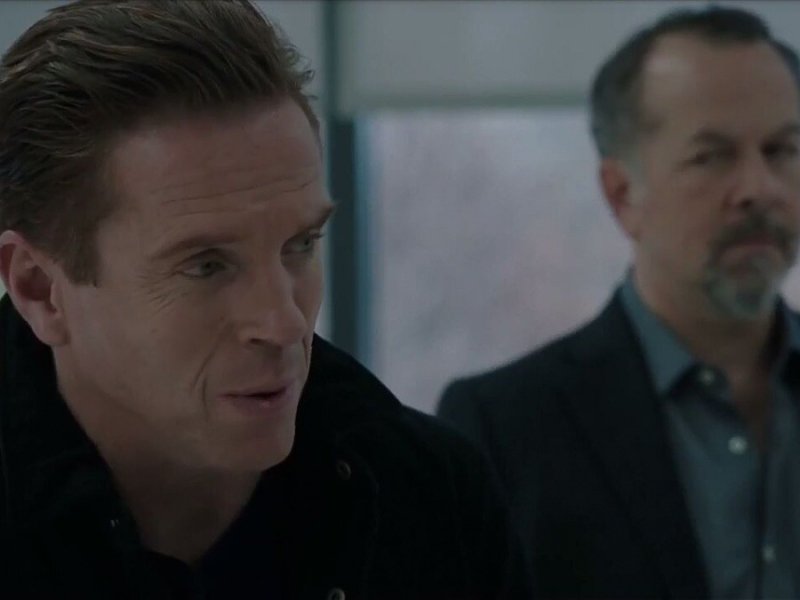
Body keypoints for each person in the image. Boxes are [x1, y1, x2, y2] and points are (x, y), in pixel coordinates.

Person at [0, 1, 527, 598]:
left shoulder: (433, 500)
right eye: (206, 266)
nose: (284, 323)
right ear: (40, 290)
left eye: (300, 245)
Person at [438, 6, 800, 599]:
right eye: (712, 156)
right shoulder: (504, 429)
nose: (759, 188)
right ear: (622, 194)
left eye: (781, 150)